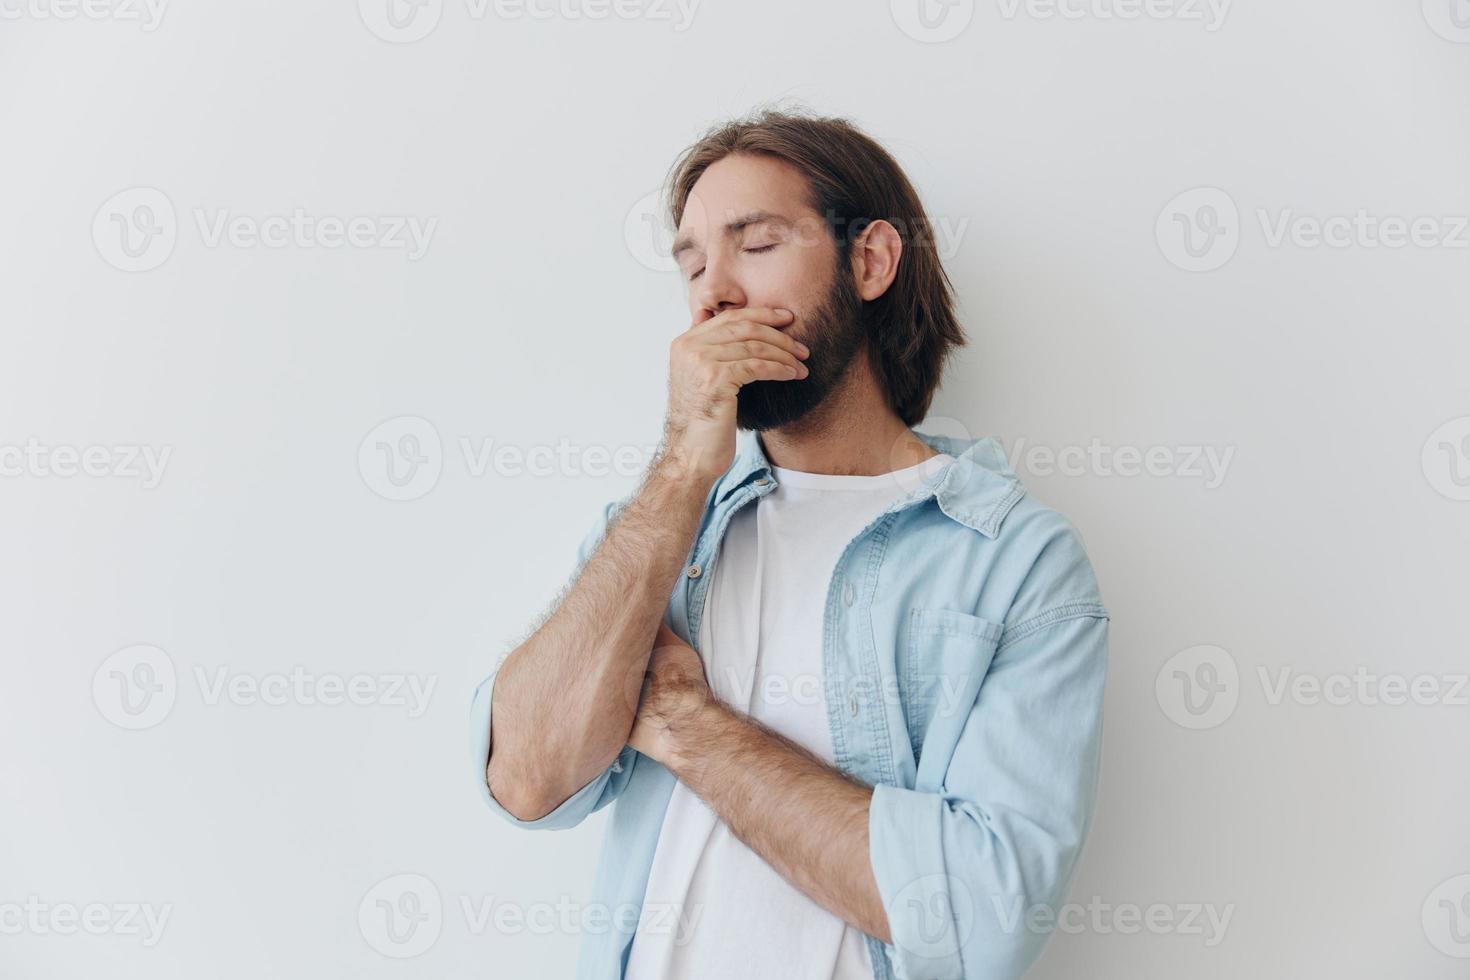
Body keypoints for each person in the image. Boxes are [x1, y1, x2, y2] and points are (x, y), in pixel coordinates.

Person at [471, 107, 1109, 980]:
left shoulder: (1016, 565)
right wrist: (678, 474)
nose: (713, 291)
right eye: (692, 262)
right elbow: (526, 780)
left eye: (756, 245)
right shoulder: (657, 531)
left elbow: (979, 917)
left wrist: (690, 727)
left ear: (871, 261)